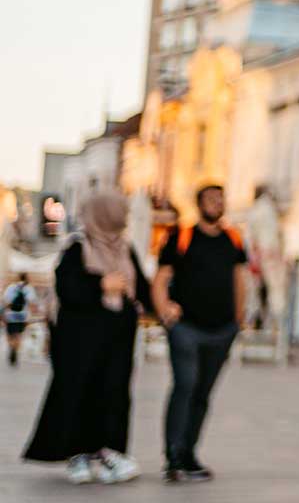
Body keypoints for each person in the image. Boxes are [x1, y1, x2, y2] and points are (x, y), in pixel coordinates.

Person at [21, 193, 150, 484]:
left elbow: (141, 288)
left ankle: (108, 452)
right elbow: (68, 288)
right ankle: (77, 454)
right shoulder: (78, 248)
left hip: (116, 341)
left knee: (114, 393)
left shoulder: (125, 248)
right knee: (79, 392)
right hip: (79, 342)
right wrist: (101, 283)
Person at [152, 183, 248, 483]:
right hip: (186, 329)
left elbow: (239, 277)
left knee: (203, 393)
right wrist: (164, 308)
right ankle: (173, 455)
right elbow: (161, 277)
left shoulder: (232, 238)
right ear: (199, 203)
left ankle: (190, 453)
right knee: (185, 385)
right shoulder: (181, 236)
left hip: (222, 329)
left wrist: (239, 319)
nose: (217, 203)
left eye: (221, 198)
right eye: (210, 199)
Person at [4, 272, 35, 366]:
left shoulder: (11, 287)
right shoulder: (29, 288)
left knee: (10, 335)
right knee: (18, 335)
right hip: (22, 316)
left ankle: (11, 347)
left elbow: (6, 302)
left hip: (11, 315)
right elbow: (31, 304)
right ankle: (15, 349)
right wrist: (30, 317)